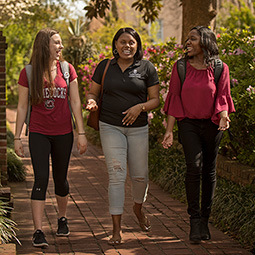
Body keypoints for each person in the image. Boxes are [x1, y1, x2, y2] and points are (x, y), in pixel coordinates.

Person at [14, 28, 88, 248]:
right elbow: (22, 106)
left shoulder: (67, 70)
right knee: (40, 179)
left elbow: (75, 102)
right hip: (38, 133)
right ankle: (38, 230)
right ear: (44, 45)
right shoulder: (28, 73)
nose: (60, 47)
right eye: (56, 42)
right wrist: (17, 137)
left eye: (61, 43)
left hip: (64, 133)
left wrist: (81, 133)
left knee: (61, 179)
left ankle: (62, 219)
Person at [86, 27, 160, 245]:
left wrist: (140, 107)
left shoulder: (146, 67)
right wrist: (92, 101)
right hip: (110, 126)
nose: (127, 46)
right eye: (122, 42)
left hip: (138, 128)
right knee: (117, 175)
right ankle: (116, 229)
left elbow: (155, 99)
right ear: (115, 45)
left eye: (131, 42)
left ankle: (138, 208)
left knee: (140, 176)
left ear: (137, 45)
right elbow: (93, 92)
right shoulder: (105, 66)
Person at [162, 26, 235, 244]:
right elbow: (174, 98)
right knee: (194, 167)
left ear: (205, 42)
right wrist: (169, 131)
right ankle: (194, 220)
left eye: (192, 39)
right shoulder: (181, 67)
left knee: (209, 171)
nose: (187, 42)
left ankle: (205, 220)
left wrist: (224, 116)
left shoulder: (221, 68)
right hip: (189, 124)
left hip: (212, 124)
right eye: (188, 39)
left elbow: (222, 97)